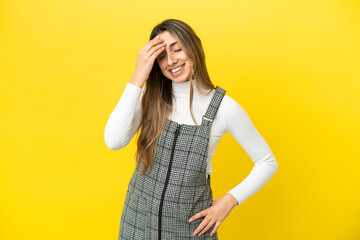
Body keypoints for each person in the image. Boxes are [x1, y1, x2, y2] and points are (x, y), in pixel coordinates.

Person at [104, 19, 278, 240]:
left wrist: (229, 201)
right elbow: (114, 140)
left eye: (177, 49)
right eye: (161, 57)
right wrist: (138, 76)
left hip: (190, 229)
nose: (171, 60)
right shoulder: (150, 98)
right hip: (137, 222)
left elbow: (267, 162)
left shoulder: (224, 108)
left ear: (193, 47)